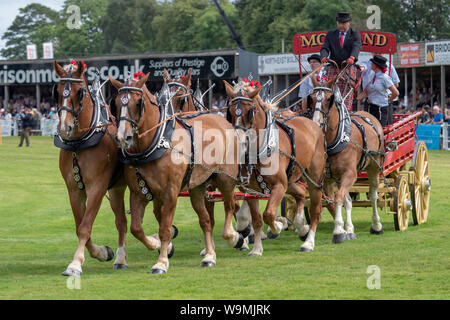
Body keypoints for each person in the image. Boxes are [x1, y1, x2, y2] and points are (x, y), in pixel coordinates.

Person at [320, 12, 362, 111]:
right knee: (328, 86)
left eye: (343, 23)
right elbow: (325, 48)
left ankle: (345, 109)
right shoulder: (330, 34)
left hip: (348, 66)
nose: (341, 25)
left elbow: (356, 47)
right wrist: (324, 56)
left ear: (349, 23)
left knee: (347, 87)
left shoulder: (355, 34)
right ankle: (327, 107)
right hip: (333, 66)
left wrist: (352, 57)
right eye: (339, 23)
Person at [356, 55, 399, 126]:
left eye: (372, 63)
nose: (370, 64)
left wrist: (388, 100)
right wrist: (356, 99)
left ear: (376, 66)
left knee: (379, 130)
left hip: (381, 109)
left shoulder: (385, 78)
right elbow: (366, 92)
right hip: (371, 107)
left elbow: (396, 92)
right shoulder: (372, 76)